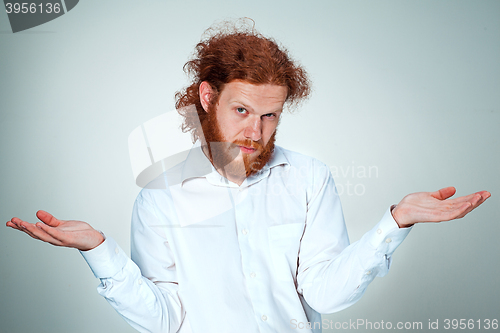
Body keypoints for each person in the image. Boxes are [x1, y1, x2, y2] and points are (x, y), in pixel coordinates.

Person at [6, 22, 490, 333]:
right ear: (206, 98)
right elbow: (164, 318)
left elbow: (323, 293)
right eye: (241, 109)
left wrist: (396, 222)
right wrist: (98, 251)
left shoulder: (309, 177)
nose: (254, 131)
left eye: (270, 115)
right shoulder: (160, 197)